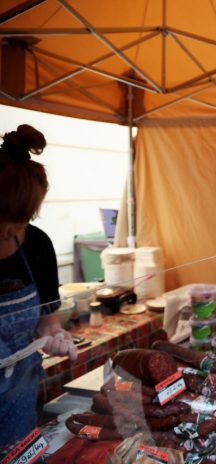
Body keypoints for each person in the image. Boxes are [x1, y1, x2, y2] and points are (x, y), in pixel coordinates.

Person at [0, 125, 77, 452]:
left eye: (20, 223)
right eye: (2, 222)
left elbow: (47, 324)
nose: (10, 233)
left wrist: (55, 337)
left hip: (19, 400)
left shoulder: (38, 246)